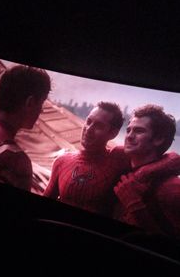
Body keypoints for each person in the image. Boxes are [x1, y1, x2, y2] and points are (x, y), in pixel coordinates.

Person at [44, 101, 130, 215]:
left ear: (113, 133)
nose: (88, 129)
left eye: (99, 126)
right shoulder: (62, 161)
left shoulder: (118, 159)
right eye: (88, 121)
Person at [113, 104, 180, 238]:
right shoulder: (123, 165)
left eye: (139, 131)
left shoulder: (172, 189)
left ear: (159, 139)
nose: (129, 136)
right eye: (128, 130)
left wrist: (136, 207)